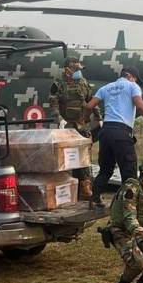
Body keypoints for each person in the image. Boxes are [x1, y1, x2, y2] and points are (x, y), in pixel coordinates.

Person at [85, 67, 143, 207]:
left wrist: (85, 120)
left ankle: (94, 199)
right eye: (136, 79)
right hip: (121, 133)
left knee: (105, 170)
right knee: (129, 172)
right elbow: (141, 106)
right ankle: (128, 205)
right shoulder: (132, 86)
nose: (136, 81)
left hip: (105, 132)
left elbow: (89, 106)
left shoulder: (106, 88)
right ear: (130, 76)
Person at [49, 56, 99, 199]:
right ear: (67, 69)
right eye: (76, 69)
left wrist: (98, 117)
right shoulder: (58, 84)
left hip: (82, 125)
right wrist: (59, 119)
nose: (79, 72)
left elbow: (91, 100)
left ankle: (86, 188)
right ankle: (69, 188)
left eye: (79, 69)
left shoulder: (83, 83)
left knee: (84, 157)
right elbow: (53, 103)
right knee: (67, 158)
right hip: (67, 126)